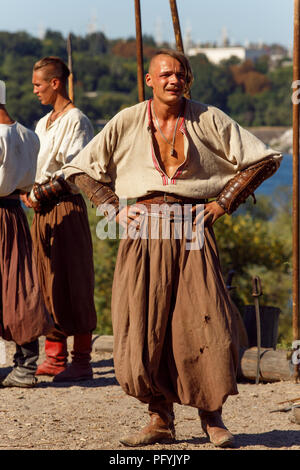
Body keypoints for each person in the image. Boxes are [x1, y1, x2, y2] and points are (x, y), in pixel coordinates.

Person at [62, 49, 282, 446]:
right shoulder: (127, 120)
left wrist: (222, 203)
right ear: (150, 80)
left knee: (206, 320)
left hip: (193, 231)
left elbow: (265, 159)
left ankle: (211, 416)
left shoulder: (208, 118)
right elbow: (78, 168)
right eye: (165, 74)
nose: (173, 80)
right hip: (142, 233)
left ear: (189, 80)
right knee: (145, 326)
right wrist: (111, 208)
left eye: (180, 74)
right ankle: (159, 418)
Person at [23, 57, 97, 382]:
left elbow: (75, 171)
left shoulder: (76, 120)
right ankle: (54, 357)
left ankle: (81, 361)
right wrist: (28, 191)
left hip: (66, 208)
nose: (34, 90)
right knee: (47, 282)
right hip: (41, 213)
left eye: (38, 84)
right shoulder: (43, 123)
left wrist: (42, 194)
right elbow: (36, 168)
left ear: (55, 83)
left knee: (74, 281)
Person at [0, 80, 53, 388]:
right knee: (19, 285)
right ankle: (26, 365)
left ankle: (23, 367)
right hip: (15, 216)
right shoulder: (28, 136)